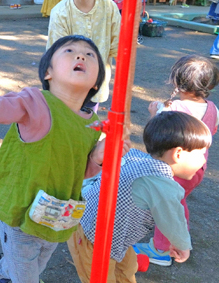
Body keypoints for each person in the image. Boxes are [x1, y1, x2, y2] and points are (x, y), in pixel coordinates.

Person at [0, 35, 124, 283]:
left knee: (36, 265)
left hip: (58, 217)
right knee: (27, 276)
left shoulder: (92, 124)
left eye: (90, 55)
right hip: (20, 214)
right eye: (69, 51)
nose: (80, 56)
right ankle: (10, 272)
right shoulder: (34, 103)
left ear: (96, 84)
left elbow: (78, 171)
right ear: (48, 72)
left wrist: (98, 158)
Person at [69, 112, 211, 283]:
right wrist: (182, 245)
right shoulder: (162, 185)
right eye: (201, 154)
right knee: (99, 278)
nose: (203, 161)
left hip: (111, 234)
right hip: (92, 238)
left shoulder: (136, 156)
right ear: (178, 154)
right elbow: (174, 220)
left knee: (127, 267)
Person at [134, 55, 219, 266]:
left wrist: (154, 114)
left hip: (172, 169)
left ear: (177, 82)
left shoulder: (173, 109)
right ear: (209, 84)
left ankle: (161, 249)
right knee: (178, 202)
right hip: (196, 168)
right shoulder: (213, 109)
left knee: (167, 206)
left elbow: (156, 133)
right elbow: (213, 129)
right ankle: (177, 238)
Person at [47, 0, 121, 111]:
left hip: (95, 84)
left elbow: (118, 46)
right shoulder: (60, 12)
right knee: (66, 129)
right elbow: (57, 54)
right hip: (67, 88)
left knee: (88, 128)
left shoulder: (109, 7)